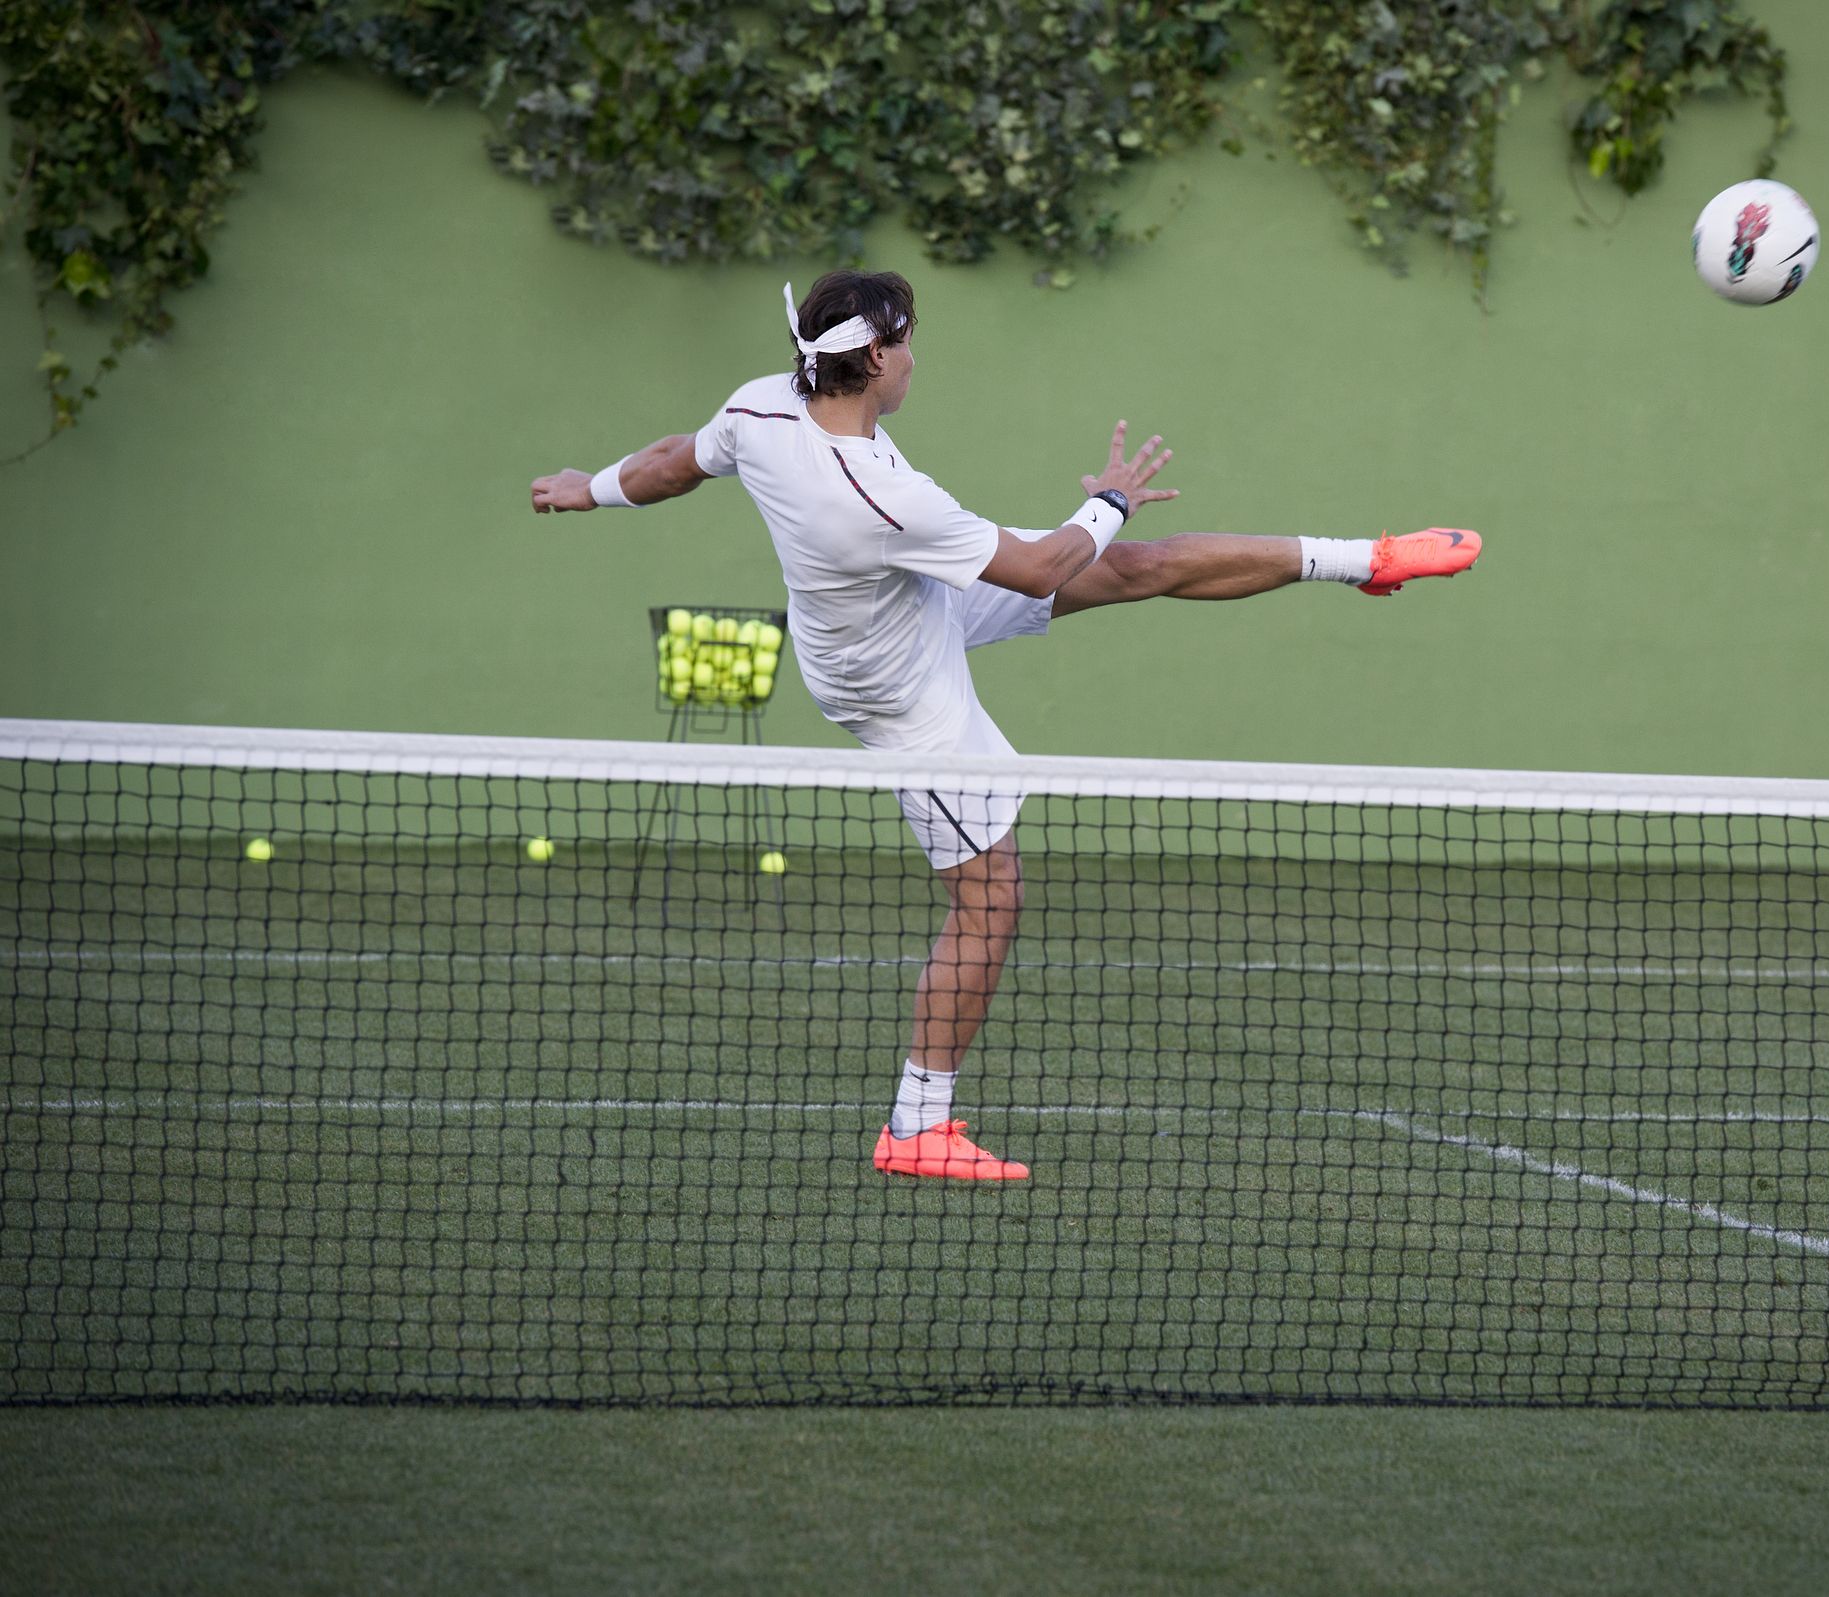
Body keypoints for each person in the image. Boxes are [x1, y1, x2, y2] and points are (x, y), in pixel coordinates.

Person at [530, 269, 1481, 1182]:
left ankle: (1367, 559)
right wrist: (1102, 501)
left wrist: (591, 485)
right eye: (910, 342)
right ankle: (919, 1124)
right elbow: (1038, 569)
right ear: (876, 357)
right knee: (991, 899)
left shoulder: (761, 405)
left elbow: (672, 462)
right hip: (892, 683)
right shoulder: (877, 495)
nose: (916, 358)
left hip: (905, 605)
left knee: (1135, 566)